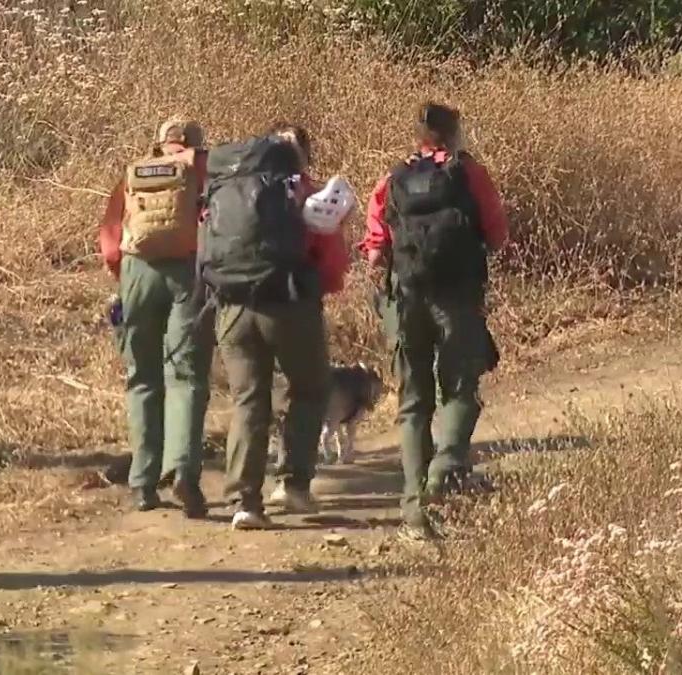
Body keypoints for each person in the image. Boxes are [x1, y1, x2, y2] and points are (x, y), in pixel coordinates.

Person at [359, 103, 509, 541]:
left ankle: (413, 505)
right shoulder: (468, 172)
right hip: (458, 296)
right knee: (460, 387)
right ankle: (445, 468)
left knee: (413, 401)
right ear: (454, 132)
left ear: (419, 136)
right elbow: (497, 232)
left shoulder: (393, 177)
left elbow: (373, 248)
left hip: (406, 298)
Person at [199, 123, 350, 530]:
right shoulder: (304, 192)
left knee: (250, 399)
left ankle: (245, 501)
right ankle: (294, 484)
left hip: (231, 305)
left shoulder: (224, 186)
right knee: (310, 387)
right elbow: (331, 261)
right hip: (288, 303)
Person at [98, 118, 213, 519]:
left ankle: (143, 483)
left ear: (160, 142)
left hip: (137, 271)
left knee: (142, 377)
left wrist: (126, 277)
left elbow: (111, 240)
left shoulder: (135, 171)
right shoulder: (204, 167)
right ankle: (183, 470)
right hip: (187, 270)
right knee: (187, 374)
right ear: (196, 143)